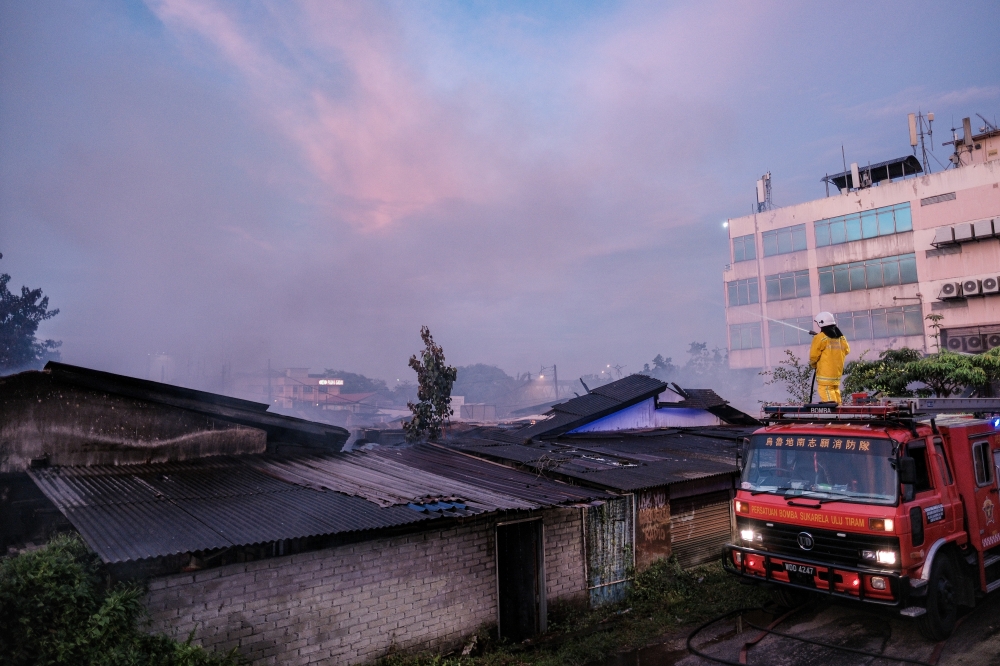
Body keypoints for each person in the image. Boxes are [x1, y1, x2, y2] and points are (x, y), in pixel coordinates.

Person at [809, 312, 850, 404]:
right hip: (837, 371)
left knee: (825, 388)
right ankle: (839, 408)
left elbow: (813, 356)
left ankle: (832, 411)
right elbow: (847, 350)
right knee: (834, 389)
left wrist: (813, 364)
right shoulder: (841, 338)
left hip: (825, 372)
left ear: (821, 323)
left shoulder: (820, 337)